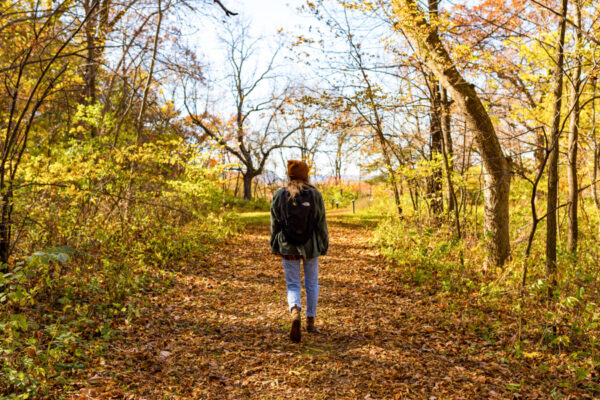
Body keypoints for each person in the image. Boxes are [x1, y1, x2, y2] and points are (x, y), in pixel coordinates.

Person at [270, 160, 329, 343]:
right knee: (312, 283)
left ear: (289, 175)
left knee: (293, 284)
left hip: (288, 245)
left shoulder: (280, 194)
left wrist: (274, 244)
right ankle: (310, 321)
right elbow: (321, 222)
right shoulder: (314, 194)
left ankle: (295, 310)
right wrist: (324, 243)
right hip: (311, 246)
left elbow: (275, 223)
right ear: (306, 175)